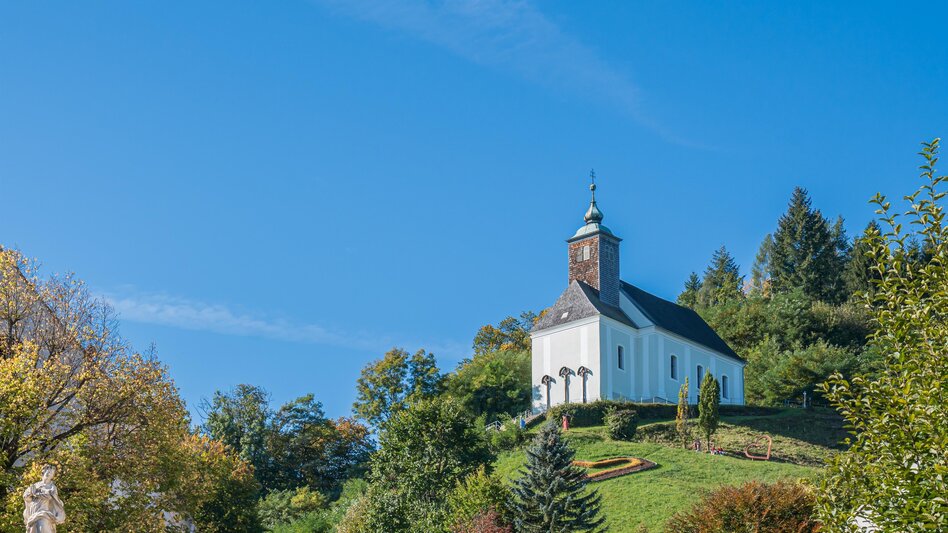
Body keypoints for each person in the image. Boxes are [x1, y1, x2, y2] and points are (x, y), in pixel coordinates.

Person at [23, 464, 65, 533]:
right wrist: (30, 494)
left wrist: (36, 493)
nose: (49, 474)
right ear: (43, 472)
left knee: (42, 527)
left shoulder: (52, 487)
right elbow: (27, 499)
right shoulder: (35, 486)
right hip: (33, 514)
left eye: (51, 473)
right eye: (48, 472)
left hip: (44, 514)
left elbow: (50, 496)